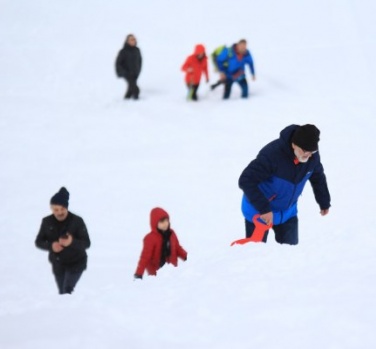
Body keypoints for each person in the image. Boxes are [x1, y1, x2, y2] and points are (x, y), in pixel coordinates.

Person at [238, 124, 331, 245]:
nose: (308, 155)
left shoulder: (312, 158)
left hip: (287, 212)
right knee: (256, 256)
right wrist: (264, 209)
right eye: (304, 151)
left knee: (290, 256)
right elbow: (246, 180)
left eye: (311, 151)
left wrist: (324, 201)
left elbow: (318, 177)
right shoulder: (272, 155)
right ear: (294, 144)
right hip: (259, 212)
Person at [35, 187, 91, 294]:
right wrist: (51, 245)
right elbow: (39, 241)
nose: (60, 212)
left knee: (67, 291)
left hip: (76, 263)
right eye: (56, 210)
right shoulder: (47, 222)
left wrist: (71, 242)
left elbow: (87, 243)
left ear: (67, 208)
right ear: (51, 208)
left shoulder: (77, 221)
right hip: (58, 264)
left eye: (62, 209)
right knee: (62, 292)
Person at [134, 207, 187, 279]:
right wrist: (138, 273)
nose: (165, 223)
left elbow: (177, 248)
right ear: (155, 223)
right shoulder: (150, 238)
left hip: (172, 272)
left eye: (166, 220)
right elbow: (145, 257)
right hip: (156, 275)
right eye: (162, 221)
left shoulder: (171, 233)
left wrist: (186, 257)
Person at [115, 34, 142, 100]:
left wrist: (138, 70)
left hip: (135, 73)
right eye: (131, 40)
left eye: (134, 39)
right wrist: (123, 72)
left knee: (130, 90)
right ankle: (137, 103)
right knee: (136, 90)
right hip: (127, 74)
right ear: (127, 41)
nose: (133, 41)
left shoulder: (137, 50)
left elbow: (139, 61)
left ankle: (126, 102)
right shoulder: (123, 51)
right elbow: (118, 63)